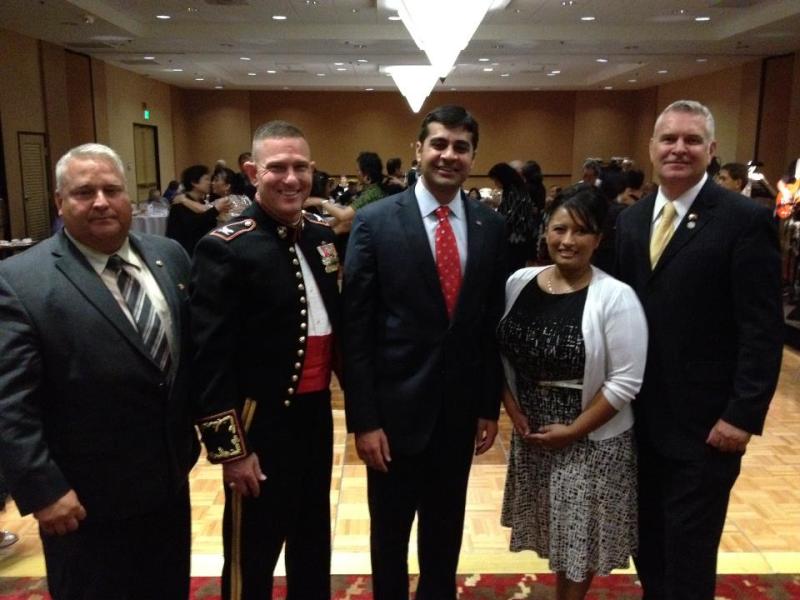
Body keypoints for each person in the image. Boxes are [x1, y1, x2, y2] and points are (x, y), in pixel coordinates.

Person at [0, 143, 198, 598]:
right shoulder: (20, 281)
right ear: (60, 202)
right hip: (83, 502)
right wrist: (43, 490)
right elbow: (9, 403)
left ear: (129, 197)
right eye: (84, 192)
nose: (102, 202)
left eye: (112, 190)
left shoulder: (170, 256)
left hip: (168, 486)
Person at [615, 100, 784, 600]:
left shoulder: (744, 220)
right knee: (648, 546)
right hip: (637, 421)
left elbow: (762, 328)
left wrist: (742, 415)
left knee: (688, 554)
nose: (678, 149)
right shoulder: (630, 220)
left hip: (707, 427)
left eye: (691, 140)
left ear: (711, 150)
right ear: (651, 147)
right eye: (668, 139)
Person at [343, 105, 507, 600]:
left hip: (457, 415)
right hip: (392, 418)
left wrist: (487, 405)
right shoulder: (374, 221)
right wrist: (364, 420)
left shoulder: (490, 225)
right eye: (439, 144)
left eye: (461, 147)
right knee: (389, 536)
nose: (449, 155)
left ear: (473, 156)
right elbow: (356, 329)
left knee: (444, 533)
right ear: (418, 149)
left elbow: (489, 324)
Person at [191, 121, 341, 600]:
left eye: (300, 167)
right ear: (253, 172)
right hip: (258, 419)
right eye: (277, 168)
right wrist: (231, 450)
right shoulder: (225, 247)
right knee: (252, 551)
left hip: (315, 416)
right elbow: (208, 360)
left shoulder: (321, 235)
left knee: (312, 541)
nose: (291, 179)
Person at [498, 184, 647, 600]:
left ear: (598, 239)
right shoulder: (518, 282)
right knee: (556, 533)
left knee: (578, 539)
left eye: (581, 231)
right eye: (560, 228)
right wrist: (512, 408)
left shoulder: (616, 297)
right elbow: (499, 353)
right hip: (534, 430)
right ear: (545, 230)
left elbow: (626, 381)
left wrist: (575, 430)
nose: (568, 240)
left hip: (590, 437)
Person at [166, 164, 231, 255]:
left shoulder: (200, 202)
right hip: (185, 253)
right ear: (194, 182)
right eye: (206, 179)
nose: (210, 183)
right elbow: (194, 226)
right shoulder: (179, 205)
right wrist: (215, 211)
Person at [489, 162, 538, 273]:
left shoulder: (513, 192)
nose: (495, 184)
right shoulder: (518, 189)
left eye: (496, 180)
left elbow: (509, 218)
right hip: (519, 239)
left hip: (514, 240)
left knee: (511, 271)